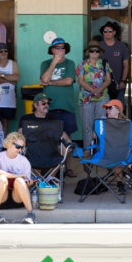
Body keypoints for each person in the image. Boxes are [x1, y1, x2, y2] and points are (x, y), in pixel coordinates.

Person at [40, 37, 79, 175]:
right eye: (57, 47)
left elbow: (68, 81)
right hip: (48, 107)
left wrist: (50, 83)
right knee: (49, 138)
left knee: (67, 138)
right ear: (52, 50)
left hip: (66, 106)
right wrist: (54, 63)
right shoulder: (45, 63)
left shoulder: (70, 63)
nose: (60, 50)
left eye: (63, 47)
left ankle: (67, 167)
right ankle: (52, 167)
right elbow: (43, 79)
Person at [0, 132, 36, 225]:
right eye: (18, 146)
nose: (19, 150)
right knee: (2, 179)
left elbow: (25, 181)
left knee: (19, 181)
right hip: (1, 197)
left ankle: (31, 214)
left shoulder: (23, 160)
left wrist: (29, 184)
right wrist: (16, 175)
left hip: (17, 198)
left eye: (22, 147)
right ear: (10, 144)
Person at [76, 41, 112, 150]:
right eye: (92, 50)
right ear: (88, 52)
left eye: (97, 50)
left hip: (102, 99)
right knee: (87, 127)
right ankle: (87, 150)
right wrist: (92, 90)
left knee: (100, 126)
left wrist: (99, 89)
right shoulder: (82, 64)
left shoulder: (104, 63)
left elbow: (109, 80)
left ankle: (99, 151)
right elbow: (80, 80)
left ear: (100, 52)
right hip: (86, 99)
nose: (94, 52)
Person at [0, 42, 20, 133]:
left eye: (5, 51)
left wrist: (1, 75)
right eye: (1, 51)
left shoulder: (13, 64)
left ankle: (4, 145)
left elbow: (17, 78)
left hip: (9, 101)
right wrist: (10, 79)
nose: (3, 53)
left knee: (5, 123)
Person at [99, 21, 130, 103]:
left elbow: (126, 65)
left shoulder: (122, 46)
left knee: (118, 109)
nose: (107, 33)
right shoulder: (98, 46)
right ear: (103, 33)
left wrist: (123, 81)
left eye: (110, 31)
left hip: (118, 84)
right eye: (105, 31)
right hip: (101, 85)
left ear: (114, 32)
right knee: (103, 112)